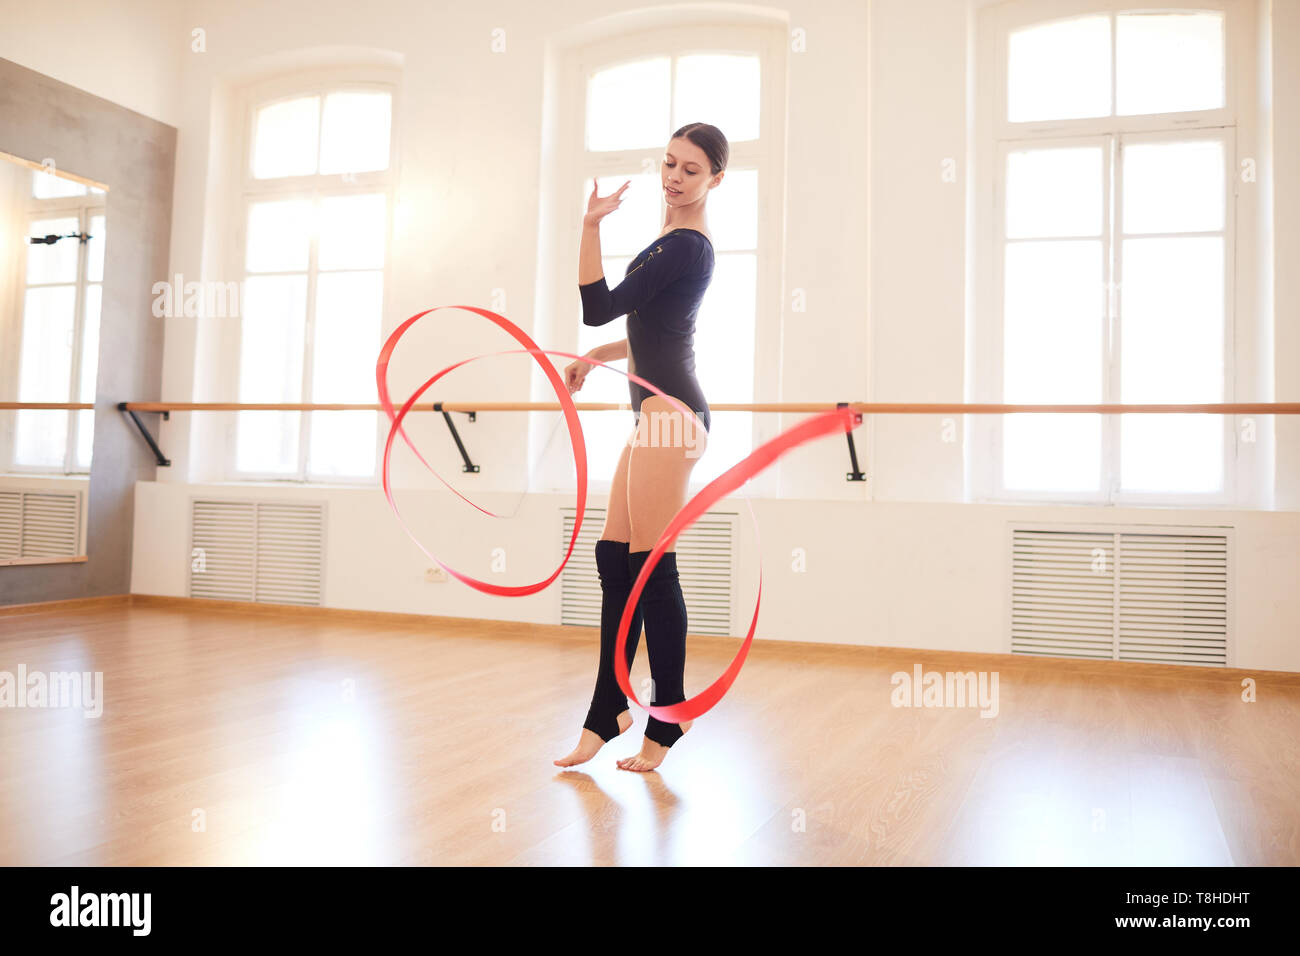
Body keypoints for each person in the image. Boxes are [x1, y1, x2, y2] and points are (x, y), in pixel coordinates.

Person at [554, 122, 728, 772]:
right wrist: (602, 357)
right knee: (613, 557)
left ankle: (666, 721)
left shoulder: (685, 243)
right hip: (656, 411)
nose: (675, 177)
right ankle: (608, 712)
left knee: (652, 568)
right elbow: (655, 330)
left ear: (715, 179)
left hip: (671, 416)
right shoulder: (675, 243)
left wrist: (591, 225)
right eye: (669, 164)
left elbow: (598, 305)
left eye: (690, 169)